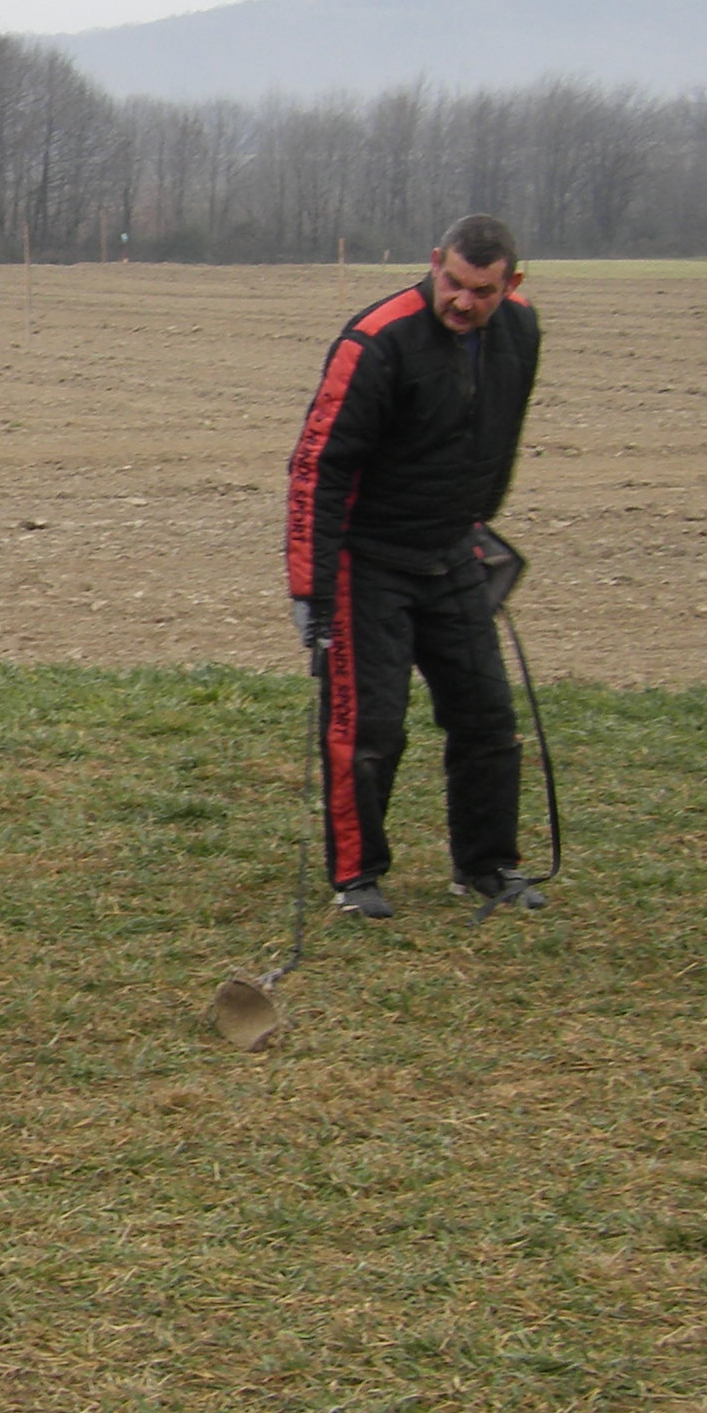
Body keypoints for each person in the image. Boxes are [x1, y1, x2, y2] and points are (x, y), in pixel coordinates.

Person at [283, 213, 542, 919]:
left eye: (481, 290)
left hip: (453, 553)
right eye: (452, 282)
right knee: (371, 728)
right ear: (435, 262)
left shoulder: (522, 331)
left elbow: (495, 436)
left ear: (510, 284)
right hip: (367, 562)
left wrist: (479, 524)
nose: (463, 300)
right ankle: (357, 878)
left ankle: (487, 867)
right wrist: (310, 590)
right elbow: (316, 468)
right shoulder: (377, 340)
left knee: (487, 717)